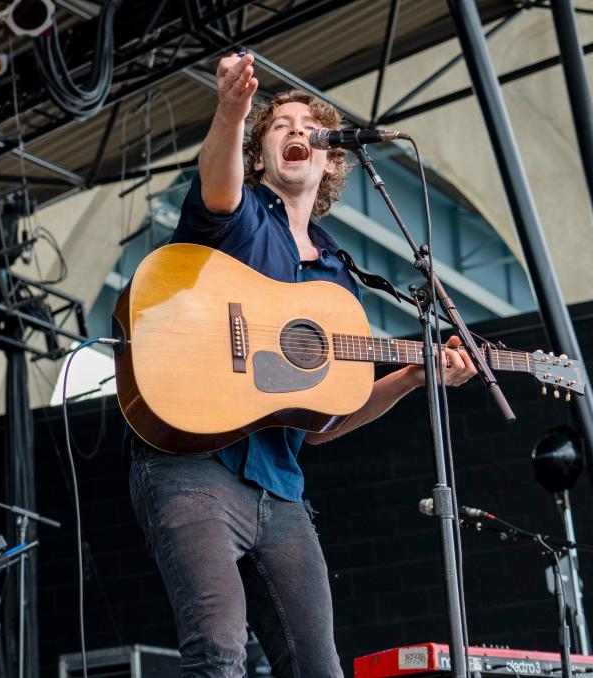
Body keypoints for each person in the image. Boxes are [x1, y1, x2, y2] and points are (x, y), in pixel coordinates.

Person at [126, 53, 477, 677]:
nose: (296, 131)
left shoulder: (340, 279)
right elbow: (217, 183)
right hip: (193, 466)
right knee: (218, 651)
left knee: (319, 666)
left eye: (309, 127)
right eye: (279, 124)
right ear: (259, 153)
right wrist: (232, 112)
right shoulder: (240, 215)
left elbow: (320, 424)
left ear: (330, 158)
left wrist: (412, 376)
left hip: (281, 489)